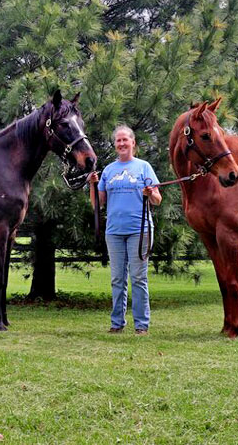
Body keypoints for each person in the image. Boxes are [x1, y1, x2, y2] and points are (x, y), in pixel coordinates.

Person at [91, 124, 161, 335]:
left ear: (133, 143)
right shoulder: (108, 170)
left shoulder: (143, 167)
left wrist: (150, 193)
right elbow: (98, 203)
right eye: (118, 140)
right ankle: (117, 323)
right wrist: (92, 186)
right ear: (115, 145)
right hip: (114, 231)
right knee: (117, 279)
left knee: (138, 278)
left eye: (125, 140)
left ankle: (141, 325)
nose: (122, 143)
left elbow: (158, 199)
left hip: (139, 230)